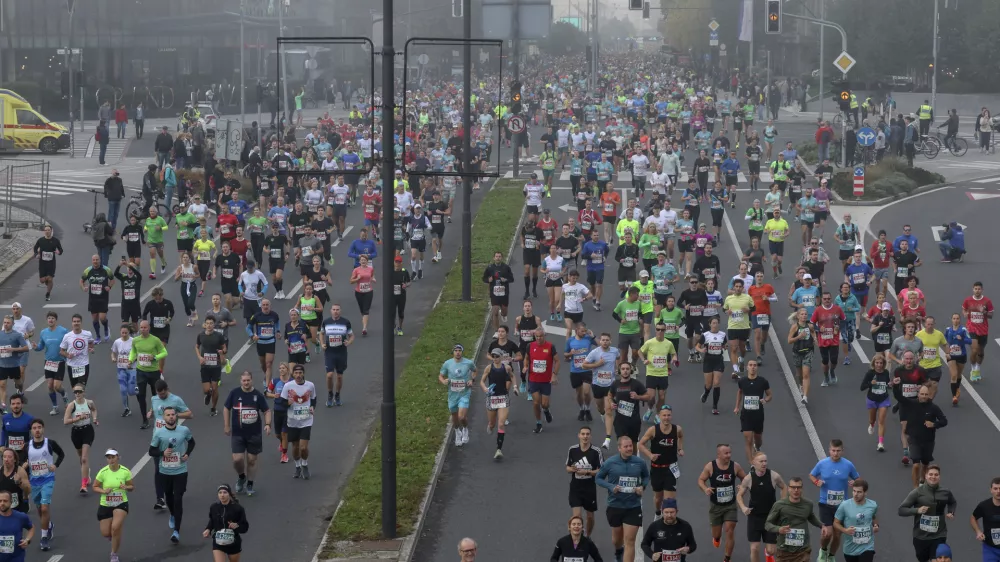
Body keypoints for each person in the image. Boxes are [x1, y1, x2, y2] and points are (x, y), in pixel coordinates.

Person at [596, 436, 648, 562]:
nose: (629, 448)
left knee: (630, 541)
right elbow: (598, 478)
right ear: (619, 448)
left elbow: (646, 476)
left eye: (630, 446)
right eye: (626, 446)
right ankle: (618, 551)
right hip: (615, 505)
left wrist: (642, 486)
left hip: (633, 506)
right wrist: (611, 486)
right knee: (617, 540)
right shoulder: (610, 462)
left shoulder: (640, 462)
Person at [149, 405, 195, 543]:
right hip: (165, 471)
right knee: (169, 497)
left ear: (176, 416)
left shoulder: (184, 430)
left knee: (178, 498)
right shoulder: (159, 433)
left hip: (180, 471)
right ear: (164, 417)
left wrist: (187, 454)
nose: (171, 417)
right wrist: (162, 453)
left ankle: (176, 531)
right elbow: (151, 451)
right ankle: (173, 514)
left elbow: (192, 442)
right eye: (168, 415)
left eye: (173, 414)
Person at [809, 439, 861, 562]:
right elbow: (811, 475)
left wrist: (854, 482)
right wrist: (816, 482)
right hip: (825, 504)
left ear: (842, 451)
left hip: (842, 505)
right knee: (827, 533)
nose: (835, 453)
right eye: (833, 450)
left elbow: (858, 479)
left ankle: (831, 555)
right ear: (829, 450)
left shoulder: (848, 464)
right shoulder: (822, 464)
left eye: (838, 451)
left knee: (837, 534)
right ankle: (823, 551)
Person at [224, 371, 271, 496]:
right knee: (237, 460)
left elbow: (267, 411)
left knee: (251, 460)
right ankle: (241, 477)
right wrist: (227, 425)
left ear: (252, 380)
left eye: (248, 380)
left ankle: (250, 484)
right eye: (244, 380)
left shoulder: (257, 395)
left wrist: (267, 424)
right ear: (241, 381)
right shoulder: (234, 393)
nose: (246, 383)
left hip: (254, 434)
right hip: (238, 433)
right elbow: (226, 408)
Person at [898, 464, 956, 562]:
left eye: (936, 475)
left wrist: (951, 512)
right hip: (921, 536)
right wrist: (917, 510)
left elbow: (952, 502)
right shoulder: (917, 492)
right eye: (931, 474)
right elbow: (901, 510)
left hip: (939, 534)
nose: (933, 477)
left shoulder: (945, 492)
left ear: (939, 477)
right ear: (925, 476)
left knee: (936, 559)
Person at [698, 443, 746, 561]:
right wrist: (705, 489)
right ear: (718, 454)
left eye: (730, 453)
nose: (729, 455)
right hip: (716, 506)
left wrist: (742, 487)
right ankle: (716, 538)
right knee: (716, 534)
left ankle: (727, 558)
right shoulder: (711, 466)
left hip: (730, 505)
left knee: (729, 530)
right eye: (726, 453)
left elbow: (745, 479)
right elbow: (701, 480)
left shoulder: (735, 466)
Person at [737, 452, 786, 562]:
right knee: (754, 548)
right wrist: (743, 507)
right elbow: (739, 495)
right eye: (761, 461)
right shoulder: (748, 479)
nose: (764, 464)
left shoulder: (774, 476)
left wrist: (782, 503)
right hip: (754, 517)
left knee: (771, 550)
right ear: (754, 463)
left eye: (765, 461)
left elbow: (784, 487)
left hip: (771, 517)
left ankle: (768, 554)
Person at [765, 476, 826, 562]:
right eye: (793, 487)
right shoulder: (779, 505)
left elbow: (810, 516)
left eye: (798, 487)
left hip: (803, 550)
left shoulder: (808, 504)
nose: (796, 490)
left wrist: (822, 525)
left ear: (802, 489)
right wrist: (779, 529)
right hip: (784, 551)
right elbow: (767, 524)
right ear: (788, 488)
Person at [637, 404, 684, 512]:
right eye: (664, 415)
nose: (666, 418)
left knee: (669, 500)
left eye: (668, 415)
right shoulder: (653, 430)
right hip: (657, 468)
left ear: (671, 416)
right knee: (658, 498)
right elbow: (640, 444)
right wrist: (650, 455)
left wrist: (680, 448)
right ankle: (658, 512)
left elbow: (681, 436)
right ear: (659, 416)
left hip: (671, 468)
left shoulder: (677, 429)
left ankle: (667, 517)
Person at [26, 419, 63, 551]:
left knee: (45, 508)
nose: (37, 430)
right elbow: (22, 461)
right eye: (34, 428)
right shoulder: (27, 446)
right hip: (34, 481)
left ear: (43, 429)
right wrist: (24, 467)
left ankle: (44, 538)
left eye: (39, 427)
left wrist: (55, 465)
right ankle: (49, 525)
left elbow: (61, 454)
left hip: (48, 479)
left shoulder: (50, 443)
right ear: (31, 431)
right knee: (39, 509)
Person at [900, 385, 948, 487]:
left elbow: (944, 421)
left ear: (929, 395)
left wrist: (934, 424)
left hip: (928, 440)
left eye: (926, 394)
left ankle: (922, 481)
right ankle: (915, 488)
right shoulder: (912, 404)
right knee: (916, 464)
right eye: (922, 394)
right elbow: (899, 398)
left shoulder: (933, 408)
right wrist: (896, 386)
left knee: (925, 463)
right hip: (914, 439)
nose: (924, 396)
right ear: (918, 394)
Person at [94, 448, 133, 562]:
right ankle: (113, 536)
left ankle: (114, 554)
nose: (111, 460)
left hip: (121, 502)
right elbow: (95, 486)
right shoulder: (103, 472)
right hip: (106, 503)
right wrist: (103, 491)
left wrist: (126, 487)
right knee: (106, 532)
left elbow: (132, 487)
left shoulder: (125, 471)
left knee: (115, 528)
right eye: (108, 458)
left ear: (118, 457)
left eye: (113, 457)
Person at [280, 364, 316, 479]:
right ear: (293, 374)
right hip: (292, 421)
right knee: (295, 447)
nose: (298, 375)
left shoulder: (310, 385)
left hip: (306, 420)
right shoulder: (288, 386)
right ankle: (297, 466)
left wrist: (312, 407)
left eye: (300, 373)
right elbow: (282, 402)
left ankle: (304, 464)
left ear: (303, 373)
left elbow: (313, 399)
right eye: (296, 373)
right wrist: (288, 403)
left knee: (303, 448)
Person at [62, 384, 97, 494]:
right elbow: (65, 421)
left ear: (84, 392)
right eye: (75, 392)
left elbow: (94, 410)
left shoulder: (89, 402)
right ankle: (86, 472)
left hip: (87, 430)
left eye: (79, 391)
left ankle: (83, 485)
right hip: (76, 432)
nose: (77, 394)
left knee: (84, 458)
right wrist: (77, 418)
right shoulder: (72, 405)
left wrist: (94, 418)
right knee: (81, 456)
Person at [833, 479, 879, 562]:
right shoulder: (844, 505)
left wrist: (876, 525)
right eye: (854, 491)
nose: (855, 494)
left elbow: (873, 517)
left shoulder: (873, 505)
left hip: (867, 546)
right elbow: (835, 523)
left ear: (865, 492)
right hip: (850, 549)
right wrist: (845, 530)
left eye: (859, 492)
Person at [440, 344, 476, 448]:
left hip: (464, 393)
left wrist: (471, 380)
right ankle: (457, 432)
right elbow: (441, 375)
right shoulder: (447, 363)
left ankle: (465, 429)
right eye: (456, 350)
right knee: (454, 417)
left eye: (459, 350)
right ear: (453, 352)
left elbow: (475, 371)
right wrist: (443, 381)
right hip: (453, 395)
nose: (458, 352)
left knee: (462, 416)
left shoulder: (468, 363)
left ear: (462, 352)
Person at [203, 483, 250, 561]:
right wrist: (208, 529)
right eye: (220, 492)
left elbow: (245, 527)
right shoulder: (214, 507)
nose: (222, 495)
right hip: (218, 542)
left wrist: (237, 525)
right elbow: (212, 520)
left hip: (233, 543)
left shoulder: (238, 508)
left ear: (229, 494)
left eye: (225, 492)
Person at [480, 349, 513, 459]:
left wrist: (515, 387)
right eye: (493, 356)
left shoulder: (506, 368)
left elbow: (512, 376)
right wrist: (485, 388)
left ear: (501, 357)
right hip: (492, 398)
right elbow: (482, 381)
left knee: (501, 423)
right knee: (492, 423)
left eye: (497, 356)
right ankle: (490, 425)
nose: (495, 358)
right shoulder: (489, 368)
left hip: (503, 398)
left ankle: (499, 449)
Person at [320, 304, 354, 407]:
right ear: (331, 311)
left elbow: (351, 336)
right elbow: (321, 333)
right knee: (329, 375)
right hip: (330, 352)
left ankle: (337, 395)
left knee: (339, 376)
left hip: (341, 352)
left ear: (340, 311)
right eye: (334, 309)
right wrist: (322, 344)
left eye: (337, 310)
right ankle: (330, 394)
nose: (335, 311)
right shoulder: (326, 322)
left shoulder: (345, 322)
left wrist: (349, 342)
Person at [969, 477, 1000, 561]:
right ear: (991, 490)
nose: (998, 491)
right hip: (990, 549)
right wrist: (978, 531)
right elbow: (973, 518)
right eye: (995, 488)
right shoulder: (984, 506)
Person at [0, 489, 32, 561]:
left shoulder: (20, 517)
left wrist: (27, 540)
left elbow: (31, 528)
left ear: (11, 502)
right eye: (0, 501)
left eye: (5, 501)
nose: (2, 503)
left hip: (16, 557)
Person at [33, 225, 63, 301]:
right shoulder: (41, 240)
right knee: (42, 281)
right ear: (44, 231)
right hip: (42, 263)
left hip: (51, 263)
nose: (47, 231)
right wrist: (36, 254)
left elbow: (61, 250)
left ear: (51, 231)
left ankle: (48, 293)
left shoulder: (55, 240)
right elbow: (35, 248)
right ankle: (47, 281)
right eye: (46, 230)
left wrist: (58, 252)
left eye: (48, 230)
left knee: (50, 279)